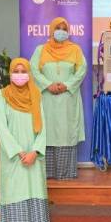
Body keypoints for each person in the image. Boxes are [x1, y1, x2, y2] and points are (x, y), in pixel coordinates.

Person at [0, 58, 51, 222]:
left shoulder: (36, 95)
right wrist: (19, 152)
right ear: (10, 74)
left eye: (23, 71)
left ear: (29, 73)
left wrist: (35, 152)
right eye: (16, 71)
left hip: (33, 157)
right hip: (14, 158)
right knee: (14, 192)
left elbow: (42, 127)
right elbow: (1, 127)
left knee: (34, 191)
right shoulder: (2, 95)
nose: (20, 75)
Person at [30, 17, 86, 180]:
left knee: (65, 133)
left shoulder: (75, 50)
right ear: (52, 30)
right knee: (48, 131)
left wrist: (67, 85)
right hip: (47, 98)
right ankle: (46, 173)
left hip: (68, 99)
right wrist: (48, 85)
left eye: (64, 29)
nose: (61, 31)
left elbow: (82, 70)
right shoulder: (41, 50)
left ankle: (65, 173)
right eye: (58, 28)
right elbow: (33, 70)